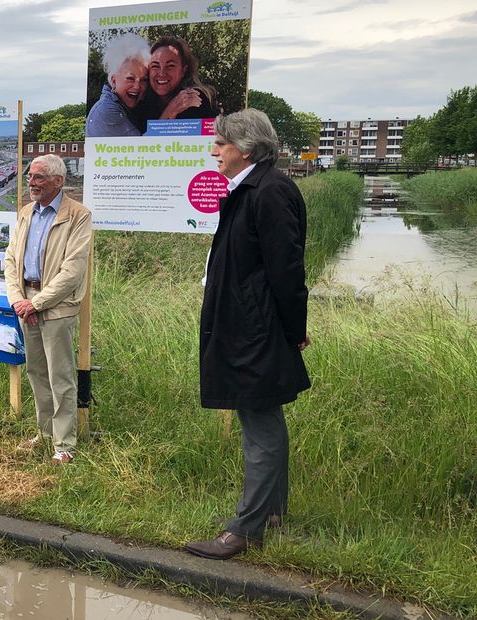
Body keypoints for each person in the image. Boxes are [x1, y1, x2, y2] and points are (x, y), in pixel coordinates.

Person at [185, 109, 312, 560]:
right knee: (263, 419)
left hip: (257, 330)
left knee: (259, 426)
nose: (214, 151)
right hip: (247, 325)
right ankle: (271, 512)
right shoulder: (248, 189)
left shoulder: (269, 191)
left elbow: (286, 269)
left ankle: (244, 530)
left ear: (247, 149)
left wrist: (294, 330)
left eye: (221, 144)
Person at [4, 154, 93, 465]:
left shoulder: (78, 216)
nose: (32, 182)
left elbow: (73, 271)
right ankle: (44, 434)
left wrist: (37, 303)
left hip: (55, 306)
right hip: (26, 301)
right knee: (37, 372)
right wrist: (18, 299)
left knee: (61, 377)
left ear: (58, 181)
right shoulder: (26, 213)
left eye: (39, 177)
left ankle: (64, 444)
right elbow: (11, 261)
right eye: (30, 176)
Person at [137, 36, 219, 128]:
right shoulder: (142, 103)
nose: (162, 73)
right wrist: (171, 110)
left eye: (170, 66)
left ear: (183, 71)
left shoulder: (194, 99)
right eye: (155, 66)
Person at [86, 33, 150, 137]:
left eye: (144, 80)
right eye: (130, 78)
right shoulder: (107, 111)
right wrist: (171, 111)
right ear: (114, 81)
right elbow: (142, 149)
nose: (137, 86)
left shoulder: (127, 106)